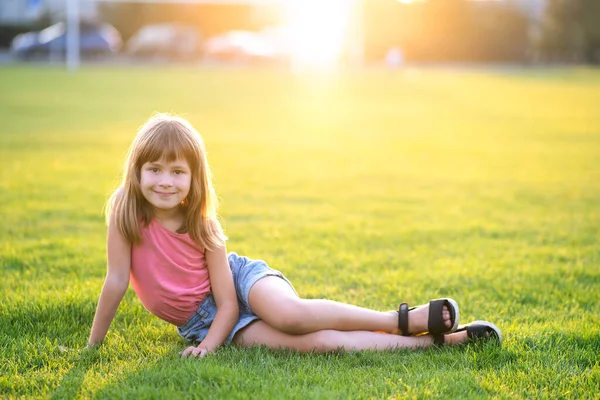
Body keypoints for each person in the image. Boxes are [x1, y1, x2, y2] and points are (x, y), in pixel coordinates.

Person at [87, 113, 502, 358]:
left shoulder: (203, 223)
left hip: (240, 283)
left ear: (195, 179)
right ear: (136, 172)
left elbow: (229, 300)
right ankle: (436, 343)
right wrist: (93, 348)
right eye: (154, 170)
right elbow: (116, 282)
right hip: (203, 319)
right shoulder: (125, 212)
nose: (165, 182)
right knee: (314, 345)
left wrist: (209, 349)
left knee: (293, 317)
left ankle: (402, 320)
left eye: (178, 171)